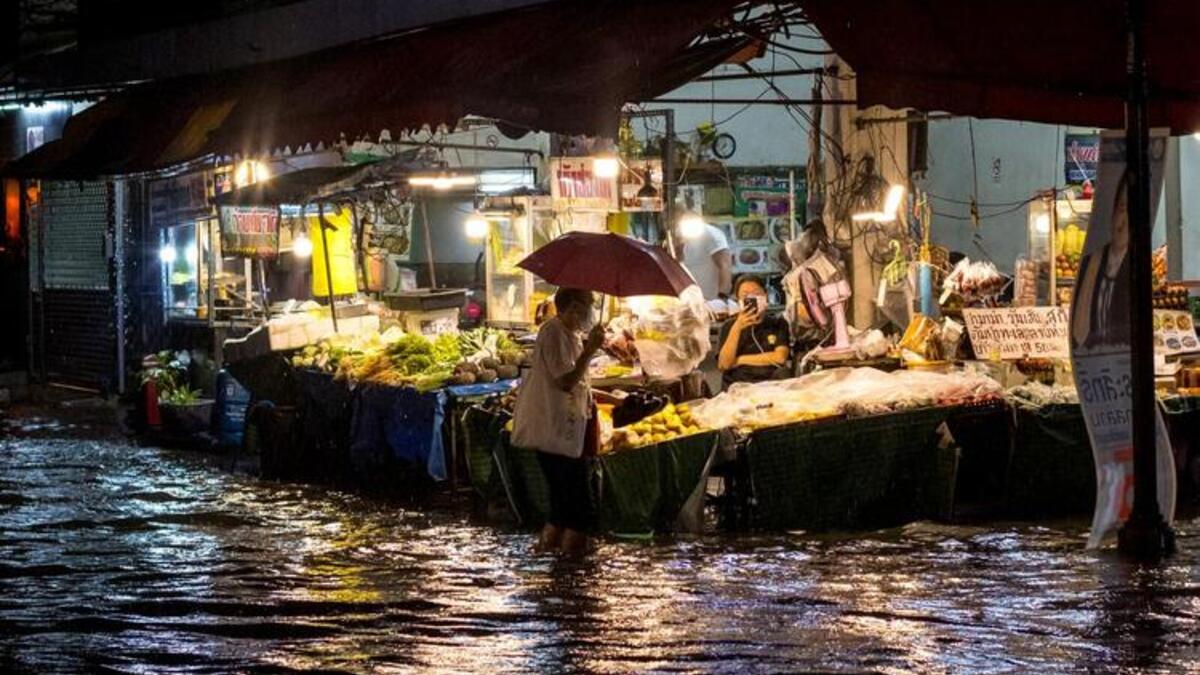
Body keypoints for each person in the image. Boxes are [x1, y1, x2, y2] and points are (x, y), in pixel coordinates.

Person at [511, 287, 605, 555]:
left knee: (562, 505)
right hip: (554, 429)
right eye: (589, 304)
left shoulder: (571, 335)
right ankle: (571, 570)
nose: (591, 311)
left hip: (567, 427)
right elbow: (565, 381)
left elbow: (580, 384)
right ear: (574, 307)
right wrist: (590, 350)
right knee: (578, 506)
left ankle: (553, 559)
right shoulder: (552, 332)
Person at [1071, 170, 1131, 351]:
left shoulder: (1137, 267)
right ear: (1111, 214)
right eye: (1121, 209)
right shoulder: (1090, 263)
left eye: (1132, 212)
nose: (1124, 221)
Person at [717, 275, 791, 389]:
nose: (752, 298)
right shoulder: (728, 326)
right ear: (738, 300)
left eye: (757, 293)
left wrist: (739, 360)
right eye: (746, 295)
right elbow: (724, 364)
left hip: (771, 383)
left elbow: (780, 357)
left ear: (765, 296)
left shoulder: (778, 323)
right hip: (737, 385)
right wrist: (737, 327)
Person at [679, 221, 733, 300]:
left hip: (712, 300)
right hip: (691, 300)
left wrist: (722, 296)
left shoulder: (710, 233)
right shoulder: (683, 243)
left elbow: (725, 265)